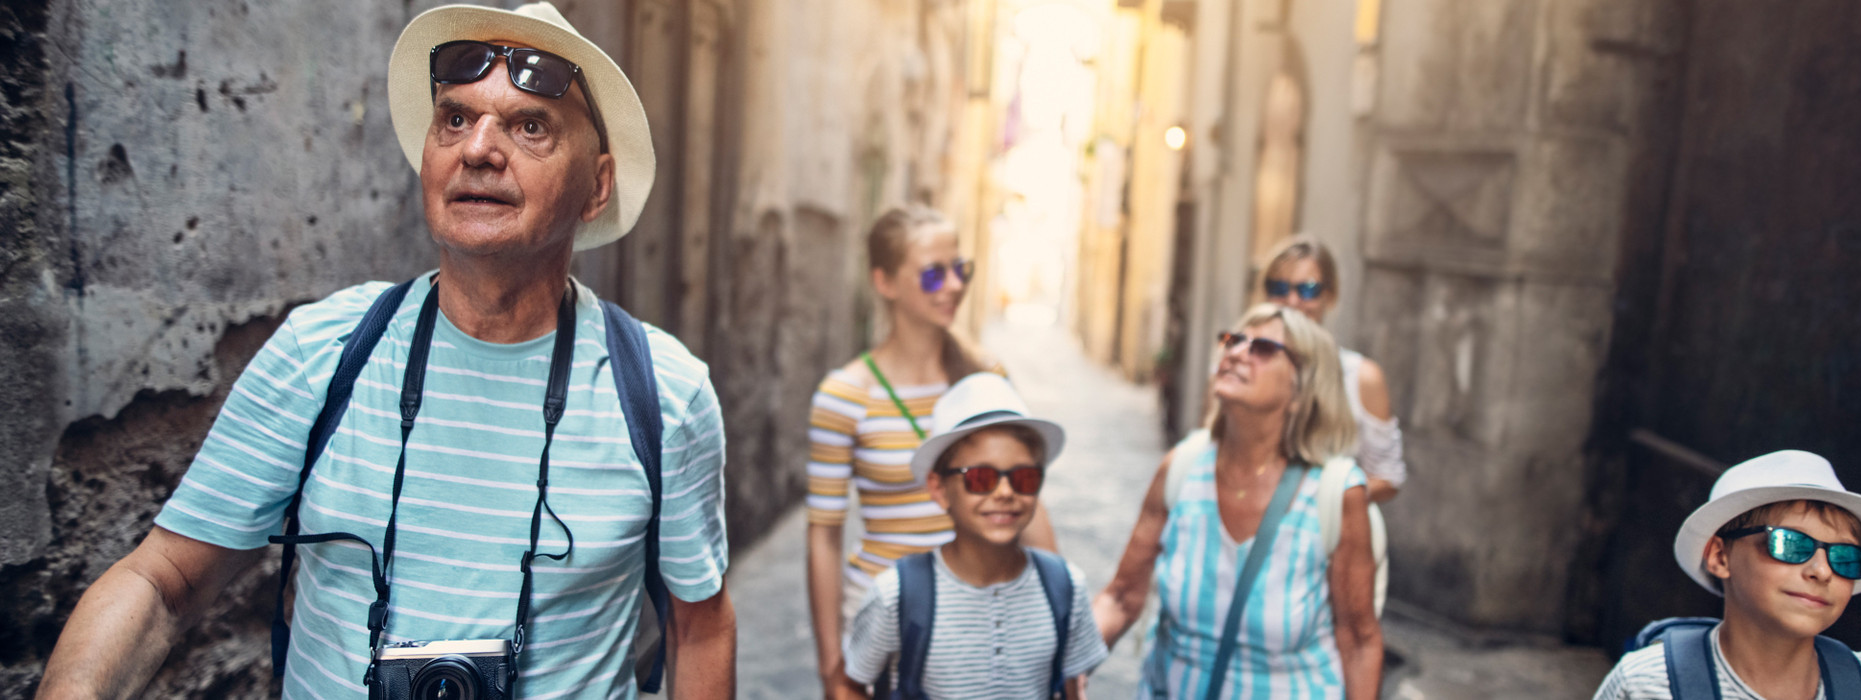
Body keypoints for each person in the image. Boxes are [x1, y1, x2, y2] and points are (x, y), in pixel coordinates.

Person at [35, 4, 735, 698]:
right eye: (455, 119)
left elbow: (697, 627)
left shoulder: (663, 394)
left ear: (598, 186)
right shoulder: (324, 352)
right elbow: (161, 582)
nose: (479, 149)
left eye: (530, 126)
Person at [805, 206, 1058, 698]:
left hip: (980, 614)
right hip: (884, 619)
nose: (953, 285)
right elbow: (824, 536)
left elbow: (1025, 493)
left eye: (960, 269)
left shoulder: (986, 377)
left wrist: (1057, 609)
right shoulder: (844, 395)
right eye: (932, 273)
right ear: (885, 282)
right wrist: (831, 666)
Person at [1095, 304, 1383, 699]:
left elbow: (1359, 639)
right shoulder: (1181, 467)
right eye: (1233, 341)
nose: (1235, 353)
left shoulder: (1335, 492)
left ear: (1302, 389)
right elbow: (1121, 596)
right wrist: (1069, 659)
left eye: (1263, 348)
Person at [839, 373, 1107, 699]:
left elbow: (1070, 690)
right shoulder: (895, 596)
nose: (1005, 492)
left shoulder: (1066, 588)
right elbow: (849, 685)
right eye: (981, 478)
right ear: (939, 489)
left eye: (1023, 477)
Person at [1592, 450, 1861, 700]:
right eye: (1790, 543)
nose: (1822, 571)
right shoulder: (1647, 684)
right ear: (1719, 556)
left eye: (1846, 556)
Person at [1259, 237, 1405, 502]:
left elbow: (1387, 478)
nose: (1292, 301)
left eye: (1308, 290)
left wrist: (1324, 502)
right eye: (1278, 287)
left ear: (1330, 295)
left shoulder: (1361, 378)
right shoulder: (1237, 367)